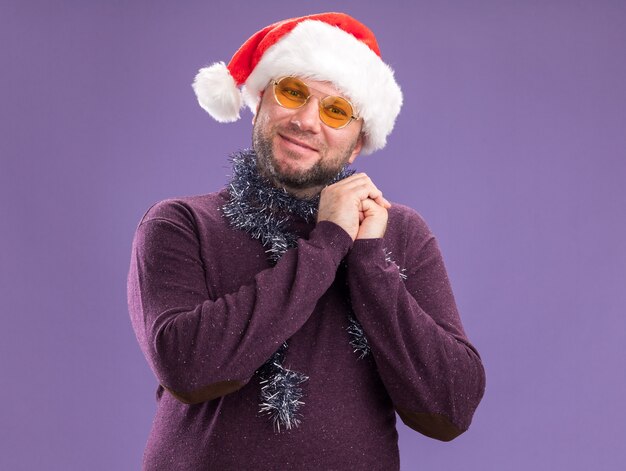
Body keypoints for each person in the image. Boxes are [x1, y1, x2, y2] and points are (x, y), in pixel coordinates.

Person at [127, 12, 485, 470]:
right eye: (292, 92)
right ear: (259, 103)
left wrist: (369, 259)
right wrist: (329, 241)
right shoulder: (179, 223)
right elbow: (187, 367)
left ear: (357, 143)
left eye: (335, 110)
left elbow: (450, 407)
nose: (307, 121)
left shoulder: (399, 233)